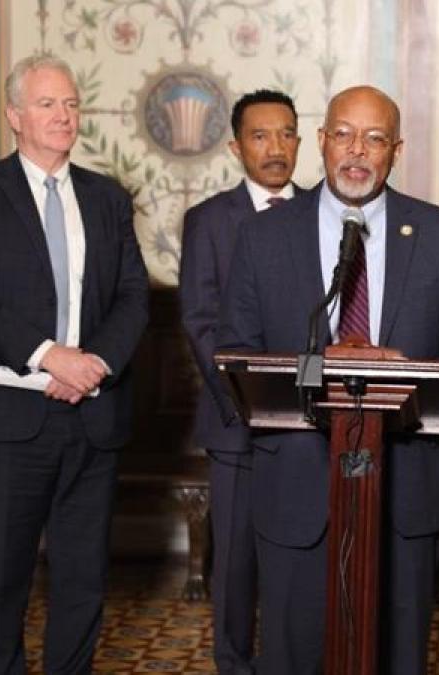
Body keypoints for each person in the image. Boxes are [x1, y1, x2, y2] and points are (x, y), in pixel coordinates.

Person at [218, 85, 439, 674]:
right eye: (343, 133)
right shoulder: (264, 234)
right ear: (320, 141)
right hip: (296, 493)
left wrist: (401, 373)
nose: (357, 151)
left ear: (397, 149)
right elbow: (235, 357)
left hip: (406, 497)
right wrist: (318, 369)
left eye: (374, 138)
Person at [0, 54, 148, 674]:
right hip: (9, 418)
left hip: (93, 414)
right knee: (2, 584)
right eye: (48, 103)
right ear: (14, 115)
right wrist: (49, 356)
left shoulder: (108, 198)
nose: (64, 115)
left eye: (72, 103)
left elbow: (134, 295)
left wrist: (96, 363)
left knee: (83, 582)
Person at [179, 89, 302, 674]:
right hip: (236, 426)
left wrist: (304, 397)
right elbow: (201, 320)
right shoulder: (209, 222)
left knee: (299, 558)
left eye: (285, 134)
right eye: (260, 136)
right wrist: (255, 398)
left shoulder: (328, 214)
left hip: (312, 425)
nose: (275, 148)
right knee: (234, 566)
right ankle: (234, 665)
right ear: (235, 146)